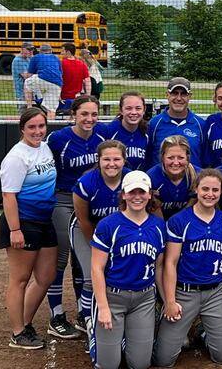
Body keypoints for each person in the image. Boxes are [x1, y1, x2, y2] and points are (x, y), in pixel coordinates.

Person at [154, 169, 222, 366]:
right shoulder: (179, 221)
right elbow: (170, 263)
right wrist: (170, 301)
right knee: (163, 360)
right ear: (196, 189)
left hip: (215, 292)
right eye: (205, 189)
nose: (210, 194)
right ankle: (170, 328)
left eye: (215, 190)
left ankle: (202, 331)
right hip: (185, 291)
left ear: (221, 192)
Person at [90, 170, 165, 369]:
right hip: (113, 297)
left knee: (140, 364)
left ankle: (123, 340)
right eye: (132, 192)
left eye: (142, 192)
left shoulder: (158, 226)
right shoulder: (108, 225)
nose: (137, 197)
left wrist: (167, 300)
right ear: (123, 194)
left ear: (149, 194)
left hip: (144, 298)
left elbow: (159, 267)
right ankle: (95, 332)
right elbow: (97, 268)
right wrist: (104, 308)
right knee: (108, 365)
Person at [0, 107, 58, 350]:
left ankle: (26, 322)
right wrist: (15, 230)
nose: (37, 131)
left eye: (41, 126)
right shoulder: (16, 157)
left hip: (44, 220)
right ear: (22, 129)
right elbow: (8, 195)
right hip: (23, 222)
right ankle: (17, 332)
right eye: (31, 127)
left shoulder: (44, 147)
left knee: (45, 277)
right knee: (20, 279)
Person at [46, 95, 105, 339]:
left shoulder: (102, 138)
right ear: (73, 115)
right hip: (63, 200)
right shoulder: (59, 139)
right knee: (60, 258)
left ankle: (83, 311)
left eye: (93, 114)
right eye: (84, 114)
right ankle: (56, 315)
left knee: (84, 259)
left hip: (90, 203)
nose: (89, 119)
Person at [70, 140, 130, 355]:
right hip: (87, 229)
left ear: (124, 160)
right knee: (90, 276)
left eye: (116, 159)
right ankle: (88, 320)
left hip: (120, 233)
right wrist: (97, 247)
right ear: (99, 160)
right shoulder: (87, 182)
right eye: (106, 159)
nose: (111, 163)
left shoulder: (131, 179)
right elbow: (83, 220)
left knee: (115, 275)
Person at [147, 77, 206, 168]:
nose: (179, 98)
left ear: (189, 96)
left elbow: (205, 158)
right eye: (174, 93)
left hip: (192, 180)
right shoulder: (154, 124)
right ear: (167, 95)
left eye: (183, 94)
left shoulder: (201, 124)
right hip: (162, 180)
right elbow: (148, 156)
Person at [146, 135, 201, 220]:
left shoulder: (199, 176)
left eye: (181, 158)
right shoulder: (151, 177)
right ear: (162, 157)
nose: (175, 162)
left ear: (187, 158)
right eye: (170, 158)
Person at [99, 91, 149, 170]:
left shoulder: (148, 132)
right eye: (128, 108)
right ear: (121, 110)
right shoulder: (109, 131)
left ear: (144, 110)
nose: (133, 112)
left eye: (138, 108)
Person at [24, 43, 63, 121]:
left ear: (40, 51)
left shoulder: (36, 57)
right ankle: (51, 127)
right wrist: (59, 94)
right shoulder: (56, 58)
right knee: (51, 110)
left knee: (27, 83)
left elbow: (30, 74)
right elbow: (60, 74)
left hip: (42, 79)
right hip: (56, 84)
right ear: (51, 51)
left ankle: (29, 106)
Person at [59, 43, 91, 114]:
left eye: (62, 51)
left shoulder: (61, 64)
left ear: (68, 52)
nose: (61, 53)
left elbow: (57, 80)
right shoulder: (82, 64)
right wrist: (88, 96)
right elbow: (88, 81)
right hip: (76, 100)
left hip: (63, 99)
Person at [12, 43, 35, 112]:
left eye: (32, 50)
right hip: (22, 93)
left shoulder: (29, 58)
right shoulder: (18, 60)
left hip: (30, 92)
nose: (31, 51)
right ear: (22, 49)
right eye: (29, 50)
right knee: (24, 114)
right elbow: (26, 76)